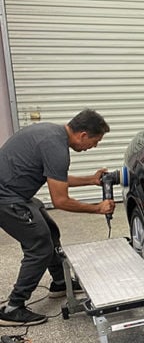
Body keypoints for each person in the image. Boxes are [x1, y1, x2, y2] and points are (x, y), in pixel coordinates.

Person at [0, 109, 115, 326]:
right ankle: (13, 308)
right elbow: (61, 201)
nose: (94, 146)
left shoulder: (53, 134)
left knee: (49, 230)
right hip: (7, 199)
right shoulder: (56, 148)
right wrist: (97, 208)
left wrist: (90, 180)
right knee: (39, 245)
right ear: (82, 135)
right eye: (95, 141)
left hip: (15, 194)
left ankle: (60, 283)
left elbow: (56, 177)